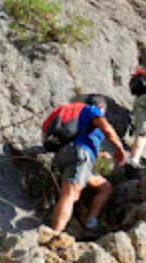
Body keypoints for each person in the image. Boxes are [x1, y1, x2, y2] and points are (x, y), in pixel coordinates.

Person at [49, 95, 127, 236]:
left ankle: (91, 222)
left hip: (65, 155)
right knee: (70, 194)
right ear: (101, 108)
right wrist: (120, 148)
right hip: (80, 155)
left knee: (105, 187)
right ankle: (55, 234)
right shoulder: (92, 110)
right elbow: (107, 130)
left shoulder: (80, 121)